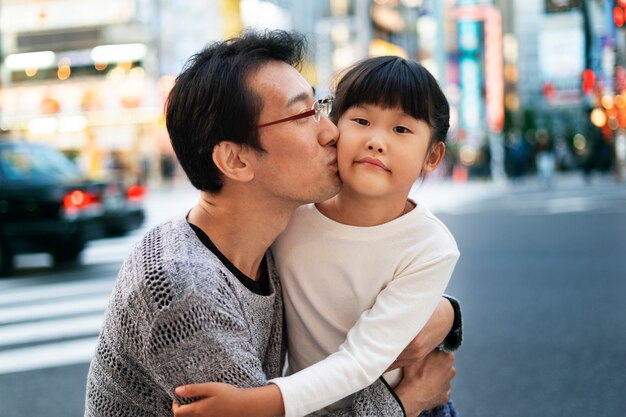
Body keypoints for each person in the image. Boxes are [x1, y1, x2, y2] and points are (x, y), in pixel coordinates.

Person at [84, 30, 458, 417]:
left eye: (321, 107)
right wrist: (408, 401)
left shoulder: (268, 233)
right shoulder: (186, 294)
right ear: (237, 161)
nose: (332, 132)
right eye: (303, 114)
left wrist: (442, 312)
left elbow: (367, 266)